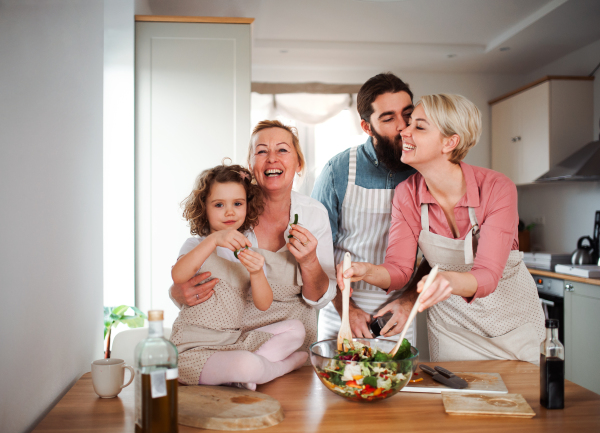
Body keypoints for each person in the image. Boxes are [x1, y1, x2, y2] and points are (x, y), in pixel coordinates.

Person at [338, 94, 545, 362]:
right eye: (409, 124)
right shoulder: (407, 194)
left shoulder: (496, 188)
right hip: (452, 331)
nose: (404, 131)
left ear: (450, 142)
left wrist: (445, 279)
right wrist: (365, 270)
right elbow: (399, 272)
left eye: (419, 126)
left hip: (512, 327)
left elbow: (487, 277)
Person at [169, 120, 337, 371]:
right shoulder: (231, 207)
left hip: (286, 340)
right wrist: (176, 292)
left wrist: (309, 261)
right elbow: (195, 264)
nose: (272, 159)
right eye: (261, 151)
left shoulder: (313, 214)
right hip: (229, 340)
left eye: (282, 150)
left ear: (298, 163)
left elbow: (318, 299)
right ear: (251, 164)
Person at [170, 162, 308, 388]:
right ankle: (277, 368)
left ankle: (245, 374)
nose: (229, 212)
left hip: (232, 342)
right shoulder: (196, 245)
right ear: (204, 207)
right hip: (194, 351)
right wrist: (214, 239)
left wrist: (256, 272)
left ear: (247, 206)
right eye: (218, 205)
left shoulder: (247, 252)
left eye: (237, 203)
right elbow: (178, 275)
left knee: (296, 329)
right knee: (247, 365)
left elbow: (264, 304)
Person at [312, 72, 422, 344]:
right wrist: (346, 309)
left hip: (399, 314)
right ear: (367, 126)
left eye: (407, 115)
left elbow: (438, 252)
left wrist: (409, 302)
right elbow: (315, 252)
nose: (402, 127)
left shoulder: (425, 171)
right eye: (388, 118)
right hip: (341, 310)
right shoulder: (338, 170)